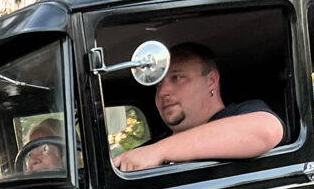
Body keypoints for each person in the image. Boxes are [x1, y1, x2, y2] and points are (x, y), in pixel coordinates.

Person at [113, 42, 285, 172]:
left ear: (211, 81)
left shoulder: (243, 113)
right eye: (158, 85)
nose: (163, 91)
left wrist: (159, 152)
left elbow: (265, 132)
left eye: (177, 78)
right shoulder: (147, 151)